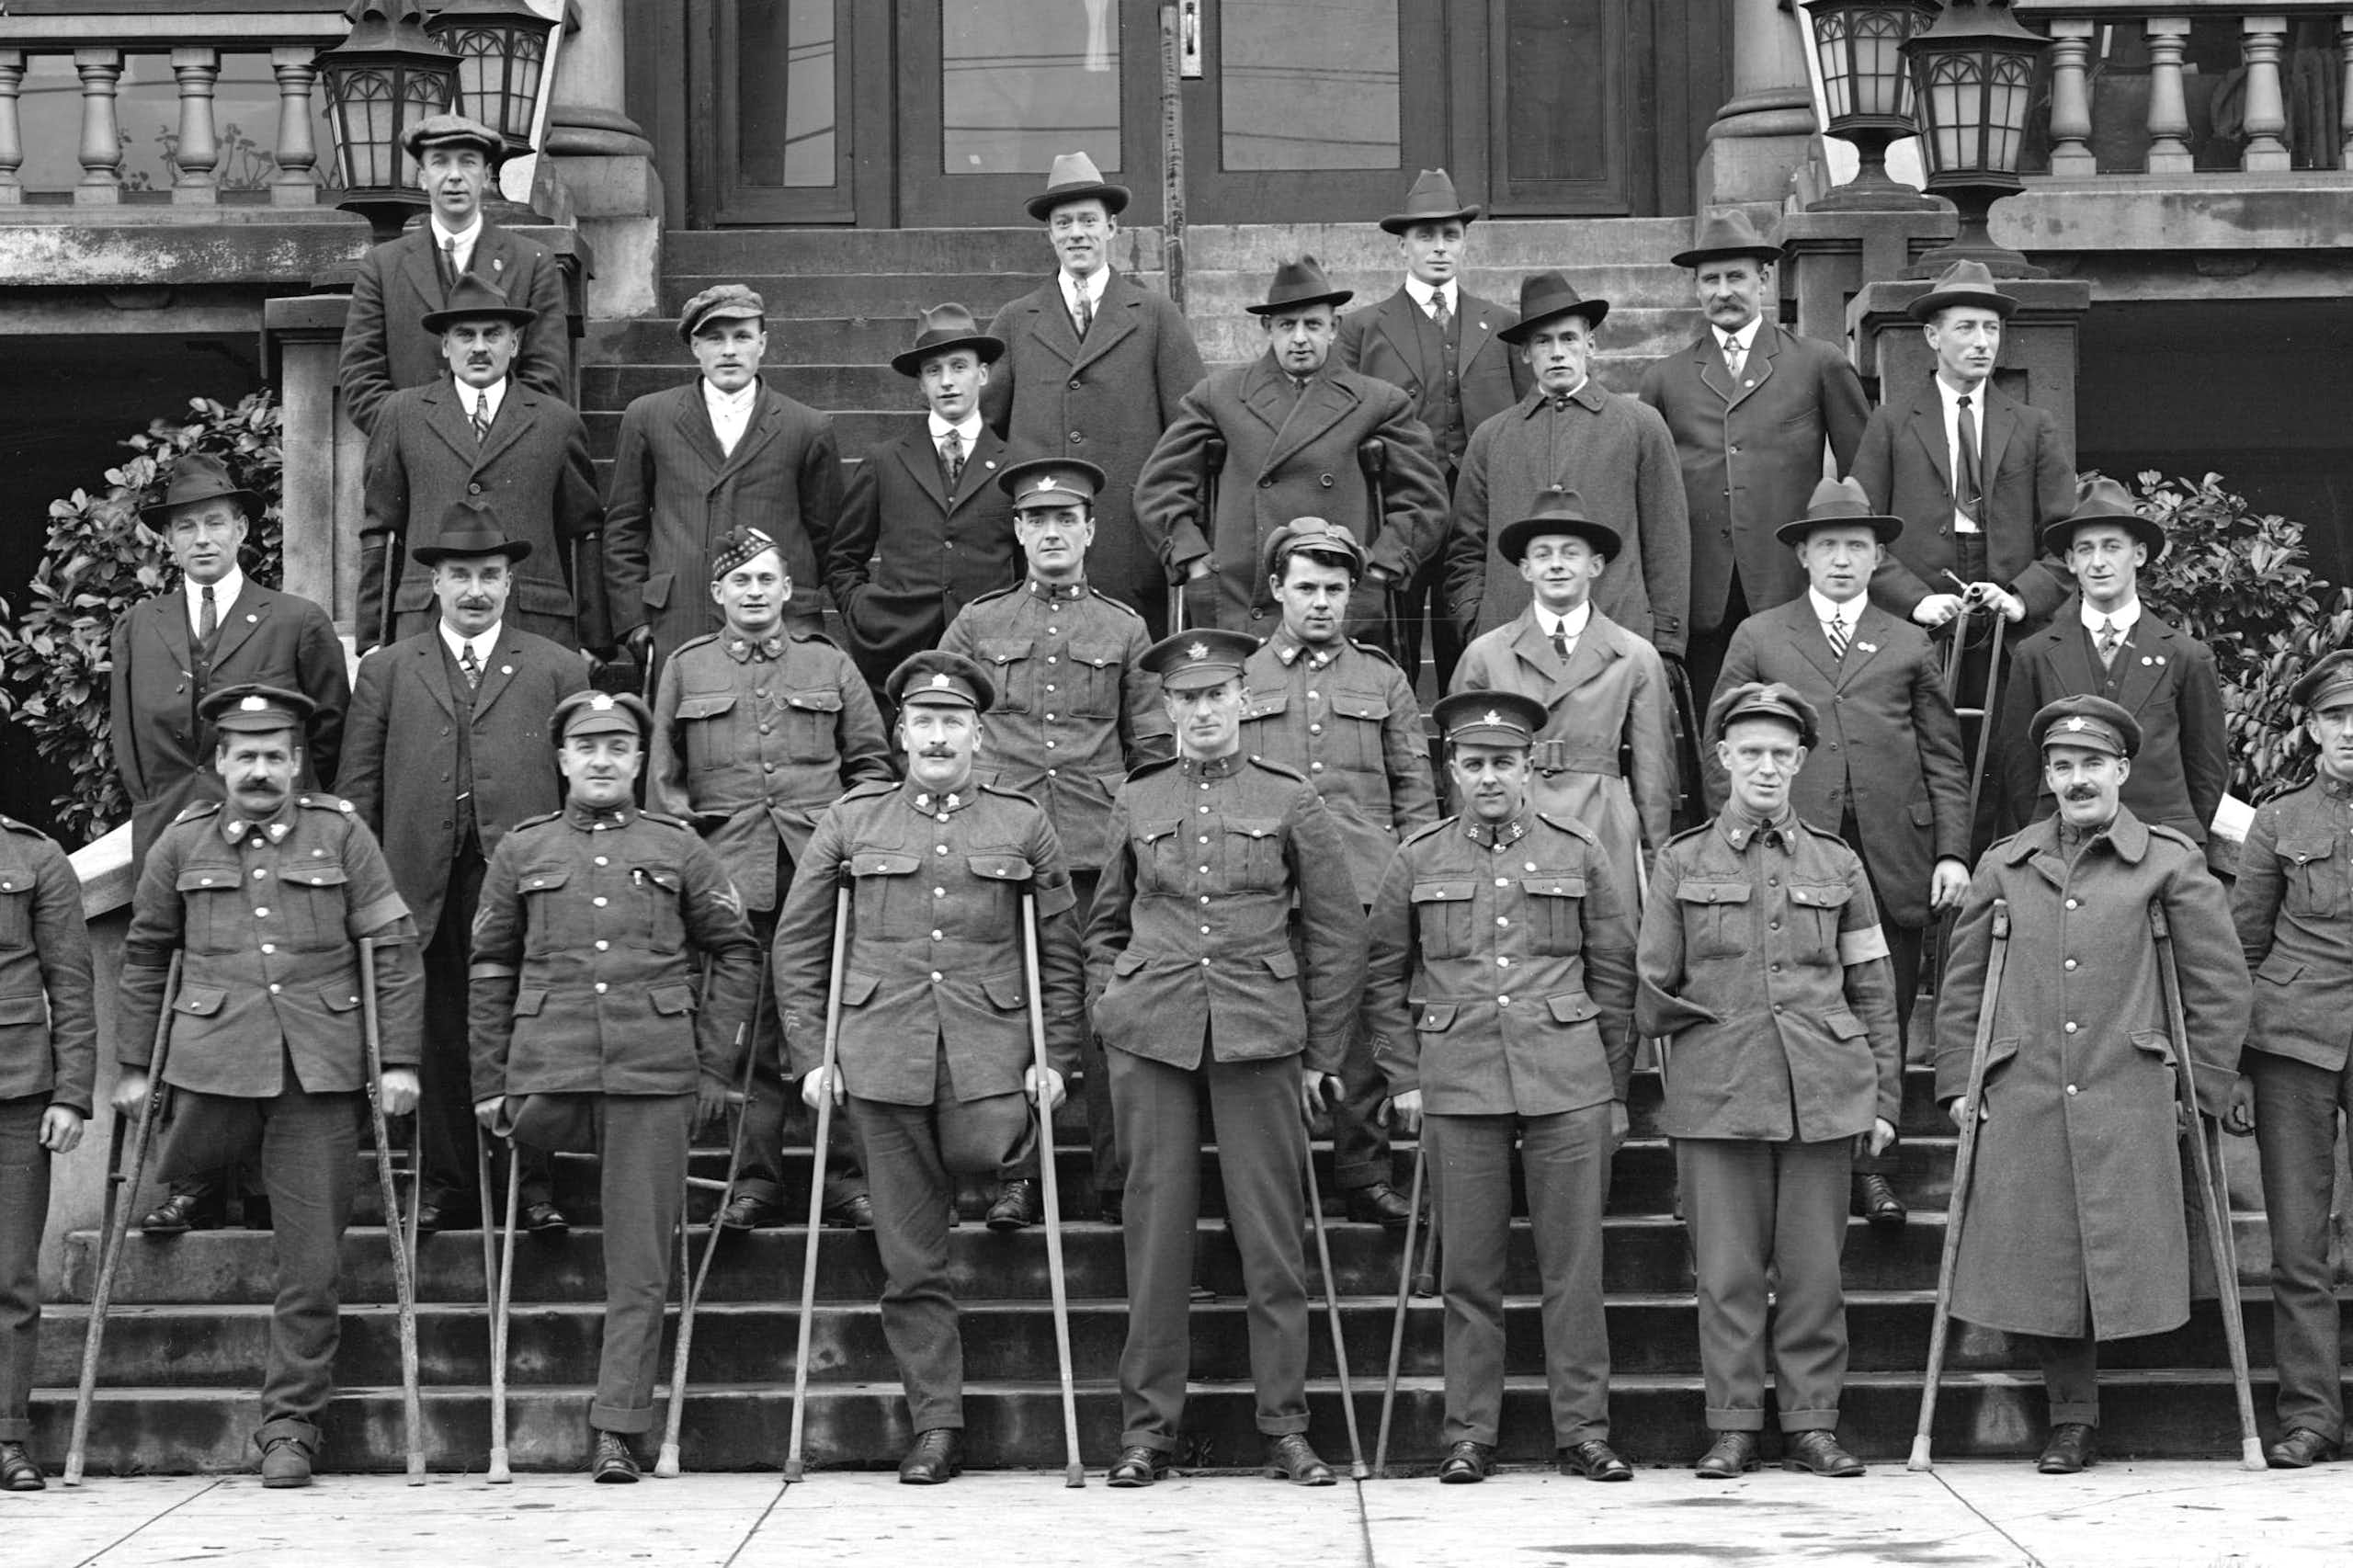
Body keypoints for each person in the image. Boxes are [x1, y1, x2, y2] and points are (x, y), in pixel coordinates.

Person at [773, 650, 1084, 1484]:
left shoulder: (1022, 822)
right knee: (912, 1258)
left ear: (978, 735)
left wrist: (1054, 1056)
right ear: (902, 732)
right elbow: (799, 944)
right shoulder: (853, 820)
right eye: (924, 722)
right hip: (879, 1056)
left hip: (989, 1051)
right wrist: (814, 1053)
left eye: (954, 722)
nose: (938, 737)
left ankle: (1003, 1169)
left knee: (987, 1148)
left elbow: (1059, 952)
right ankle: (936, 1426)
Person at [112, 684, 426, 1488]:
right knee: (181, 1168)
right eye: (243, 756)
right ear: (219, 763)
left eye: (273, 757)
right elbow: (147, 952)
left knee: (311, 1265)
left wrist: (396, 1062)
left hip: (315, 1073)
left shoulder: (341, 833)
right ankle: (195, 1180)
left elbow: (389, 948)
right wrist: (135, 1067)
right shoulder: (182, 844)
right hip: (211, 1065)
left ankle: (290, 1427)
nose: (258, 770)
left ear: (295, 763)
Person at [1937, 693, 2250, 1473]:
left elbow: (2217, 984)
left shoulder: (2172, 862)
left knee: (2112, 1245)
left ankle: (2099, 1409)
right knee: (2043, 1255)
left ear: (2121, 770)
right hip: (2028, 1086)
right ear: (2047, 774)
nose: (2078, 780)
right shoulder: (2004, 864)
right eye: (2063, 766)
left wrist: (2201, 1088)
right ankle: (2071, 1417)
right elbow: (1966, 983)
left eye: (2092, 766)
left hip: (2132, 1088)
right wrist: (1959, 1082)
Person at [1086, 629, 1365, 1488]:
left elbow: (1335, 929)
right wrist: (1111, 1003)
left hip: (1258, 1030)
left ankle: (1285, 1425)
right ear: (1165, 710)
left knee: (1272, 1237)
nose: (1202, 712)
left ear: (1243, 700)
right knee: (1156, 1235)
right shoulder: (1137, 798)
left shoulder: (1290, 798)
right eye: (1185, 699)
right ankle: (1148, 1433)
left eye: (1216, 696)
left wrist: (1322, 1048)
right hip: (1153, 1033)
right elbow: (1104, 923)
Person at [468, 689, 760, 1483]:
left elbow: (735, 952)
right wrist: (488, 1080)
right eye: (586, 746)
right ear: (561, 759)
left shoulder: (679, 848)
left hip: (652, 1068)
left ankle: (616, 1429)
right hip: (548, 1064)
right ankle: (540, 1195)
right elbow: (491, 963)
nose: (602, 759)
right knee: (528, 1130)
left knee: (639, 1264)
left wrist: (713, 1065)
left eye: (619, 746)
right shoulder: (523, 850)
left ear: (639, 761)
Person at [1363, 689, 1637, 1484]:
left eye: (1504, 764)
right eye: (1474, 763)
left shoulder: (1578, 850)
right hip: (1459, 1082)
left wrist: (1613, 1086)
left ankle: (1583, 1431)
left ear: (1529, 770)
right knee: (1468, 1274)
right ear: (1452, 769)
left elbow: (1614, 971)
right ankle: (1468, 1435)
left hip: (1568, 1080)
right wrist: (1404, 1075)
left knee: (1574, 1271)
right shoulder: (1418, 856)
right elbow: (1381, 976)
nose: (1490, 778)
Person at [1635, 682, 1900, 1480]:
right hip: (1719, 1094)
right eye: (1750, 752)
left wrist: (1883, 1097)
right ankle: (1735, 1425)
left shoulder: (1837, 861)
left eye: (1782, 754)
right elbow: (1650, 986)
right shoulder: (1681, 861)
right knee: (1726, 1275)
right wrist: (1706, 1039)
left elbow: (1874, 985)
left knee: (1815, 1274)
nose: (1766, 767)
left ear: (1801, 762)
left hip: (1823, 1089)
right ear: (1721, 759)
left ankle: (1814, 1423)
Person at [1710, 477, 1972, 1228]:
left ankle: (1875, 1166)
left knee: (1882, 1007)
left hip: (1893, 852)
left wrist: (1951, 852)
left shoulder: (1908, 639)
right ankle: (1798, 1160)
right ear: (1802, 555)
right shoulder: (1761, 636)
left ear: (1877, 554)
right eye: (1828, 546)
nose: (1843, 560)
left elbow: (1943, 757)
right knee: (1800, 1002)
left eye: (1858, 546)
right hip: (1788, 848)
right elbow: (1717, 747)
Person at [109, 454, 349, 1239]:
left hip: (281, 840)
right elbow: (130, 746)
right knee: (194, 1004)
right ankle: (193, 1182)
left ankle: (272, 1184)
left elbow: (332, 734)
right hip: (178, 843)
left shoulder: (294, 619)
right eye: (186, 527)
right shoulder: (140, 628)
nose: (203, 537)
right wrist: (163, 826)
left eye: (216, 521)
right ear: (168, 544)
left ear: (244, 529)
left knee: (275, 994)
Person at [339, 507, 585, 1235]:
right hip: (422, 880)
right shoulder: (387, 670)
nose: (475, 591)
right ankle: (446, 1184)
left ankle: (531, 1185)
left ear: (510, 584)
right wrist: (368, 883)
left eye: (489, 577)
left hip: (522, 880)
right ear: (435, 584)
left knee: (528, 1025)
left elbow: (579, 782)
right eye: (461, 577)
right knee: (440, 1029)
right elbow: (358, 788)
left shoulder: (555, 667)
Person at [939, 457, 1171, 1223]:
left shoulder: (1123, 626)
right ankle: (1015, 1176)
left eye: (1065, 519)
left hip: (1091, 847)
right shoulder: (979, 624)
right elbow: (943, 720)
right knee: (1007, 1006)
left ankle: (1115, 1180)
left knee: (1102, 1007)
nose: (1051, 533)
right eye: (1037, 520)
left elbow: (1153, 749)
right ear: (1017, 532)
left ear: (1090, 530)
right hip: (997, 842)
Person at [650, 526, 890, 1233]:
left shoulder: (830, 664)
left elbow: (873, 768)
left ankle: (846, 1179)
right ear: (717, 593)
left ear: (788, 589)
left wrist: (848, 841)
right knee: (742, 1031)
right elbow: (664, 785)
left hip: (820, 870)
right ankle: (753, 1181)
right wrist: (692, 867)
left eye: (766, 580)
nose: (754, 593)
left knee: (834, 1022)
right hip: (730, 873)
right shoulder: (686, 669)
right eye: (739, 582)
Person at [1238, 517, 1434, 1228]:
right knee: (1275, 1034)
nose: (1320, 602)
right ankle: (1272, 1188)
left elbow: (1414, 789)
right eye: (1306, 588)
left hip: (1363, 883)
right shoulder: (1240, 677)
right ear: (1277, 590)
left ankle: (1362, 1169)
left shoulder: (1382, 678)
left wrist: (1415, 882)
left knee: (1362, 1035)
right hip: (1268, 886)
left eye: (1334, 589)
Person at [1132, 256, 1448, 646]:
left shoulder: (1379, 402)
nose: (1300, 338)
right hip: (1242, 600)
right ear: (1268, 328)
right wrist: (1195, 562)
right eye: (1287, 325)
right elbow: (1158, 489)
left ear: (1334, 328)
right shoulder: (1220, 396)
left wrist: (1379, 570)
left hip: (1338, 597)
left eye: (1313, 324)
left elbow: (1425, 502)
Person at [1639, 212, 1869, 705]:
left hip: (1792, 582)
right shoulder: (1665, 379)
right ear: (1697, 289)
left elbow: (1862, 477)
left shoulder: (1816, 362)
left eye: (1736, 277)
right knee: (1712, 732)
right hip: (1705, 592)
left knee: (1800, 725)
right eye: (1711, 280)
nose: (1724, 291)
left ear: (1763, 280)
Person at [983, 152, 1208, 638]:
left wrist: (1174, 524)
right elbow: (985, 431)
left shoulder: (1155, 316)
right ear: (1049, 235)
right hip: (1047, 535)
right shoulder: (1016, 321)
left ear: (1112, 228)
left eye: (1088, 220)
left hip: (1130, 538)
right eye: (1063, 223)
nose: (1076, 233)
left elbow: (1192, 433)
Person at [2228, 651, 2353, 1468]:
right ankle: (2311, 1416)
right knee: (2299, 1245)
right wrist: (2234, 1062)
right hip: (2292, 1043)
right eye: (2338, 717)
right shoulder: (2278, 820)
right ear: (2311, 729)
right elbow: (2241, 943)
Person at [1337, 168, 1529, 690]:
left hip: (1479, 505)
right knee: (1392, 631)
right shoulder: (1362, 328)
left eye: (1450, 236)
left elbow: (1526, 416)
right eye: (1426, 236)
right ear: (1403, 246)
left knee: (1470, 633)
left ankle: (1469, 742)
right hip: (1399, 504)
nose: (1439, 248)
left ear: (1465, 243)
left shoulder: (1505, 325)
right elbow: (1343, 419)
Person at [1443, 271, 1690, 661]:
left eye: (1568, 338)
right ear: (1525, 353)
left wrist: (1666, 641)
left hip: (1617, 640)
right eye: (1543, 341)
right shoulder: (1491, 437)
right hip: (1512, 643)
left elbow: (1667, 541)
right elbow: (1465, 548)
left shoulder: (1639, 425)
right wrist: (1475, 622)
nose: (1557, 352)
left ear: (1590, 343)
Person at [1450, 489, 1675, 907]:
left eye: (1570, 553)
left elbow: (1654, 773)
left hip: (1602, 817)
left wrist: (1654, 855)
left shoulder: (1635, 656)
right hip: (1512, 816)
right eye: (1543, 554)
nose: (1556, 564)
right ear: (1524, 569)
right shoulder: (1485, 655)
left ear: (1595, 566)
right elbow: (1462, 769)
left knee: (1608, 943)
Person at [358, 276, 605, 653]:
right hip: (425, 618)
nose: (479, 348)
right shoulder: (402, 413)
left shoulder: (558, 421)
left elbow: (582, 531)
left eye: (493, 335)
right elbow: (381, 528)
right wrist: (373, 636)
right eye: (464, 335)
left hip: (533, 620)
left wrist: (592, 639)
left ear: (515, 342)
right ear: (444, 344)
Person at [604, 285, 845, 665]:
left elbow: (827, 535)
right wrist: (633, 619)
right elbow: (624, 526)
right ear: (695, 347)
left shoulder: (807, 426)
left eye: (742, 336)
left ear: (762, 344)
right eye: (715, 338)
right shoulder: (649, 416)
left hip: (779, 624)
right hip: (677, 620)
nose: (729, 350)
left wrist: (802, 613)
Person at [1996, 477, 2226, 850]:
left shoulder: (2186, 656)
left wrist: (2177, 846)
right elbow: (2020, 766)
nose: (2098, 562)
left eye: (2112, 547)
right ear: (2070, 561)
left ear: (2138, 554)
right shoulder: (2035, 654)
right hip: (2066, 847)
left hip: (2161, 846)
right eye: (2085, 549)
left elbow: (2208, 769)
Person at [1851, 259, 2076, 634]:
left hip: (2007, 617)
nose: (1982, 342)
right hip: (1918, 621)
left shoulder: (2033, 426)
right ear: (1933, 336)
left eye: (1991, 328)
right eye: (1966, 328)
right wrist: (1913, 600)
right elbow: (1861, 530)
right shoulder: (1891, 425)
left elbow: (2065, 533)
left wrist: (2022, 598)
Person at [827, 304, 1021, 702]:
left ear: (983, 374)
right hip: (899, 652)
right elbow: (843, 558)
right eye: (934, 370)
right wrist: (864, 613)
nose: (947, 381)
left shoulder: (1013, 463)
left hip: (991, 655)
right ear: (920, 383)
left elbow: (1026, 562)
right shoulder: (884, 460)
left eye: (959, 367)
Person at [338, 113, 568, 439]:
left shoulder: (531, 261)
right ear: (421, 177)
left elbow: (546, 374)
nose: (455, 176)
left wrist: (493, 440)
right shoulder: (382, 265)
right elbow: (360, 378)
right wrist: (420, 442)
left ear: (487, 175)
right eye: (440, 163)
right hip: (413, 461)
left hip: (505, 455)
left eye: (469, 163)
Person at [0, 808, 96, 1491]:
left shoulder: (35, 857)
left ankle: (6, 1437)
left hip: (16, 1090)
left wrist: (70, 1094)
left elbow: (71, 984)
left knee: (10, 1278)